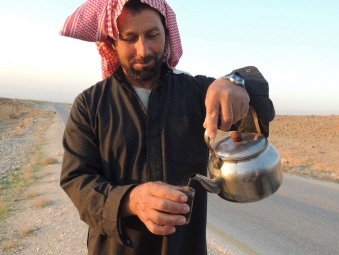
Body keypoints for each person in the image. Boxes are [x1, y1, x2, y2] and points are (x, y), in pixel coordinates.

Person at [59, 0, 275, 254]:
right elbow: (76, 180)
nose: (143, 50)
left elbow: (256, 115)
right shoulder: (90, 104)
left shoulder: (198, 93)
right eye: (129, 38)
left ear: (167, 34)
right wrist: (130, 201)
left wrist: (234, 81)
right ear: (112, 43)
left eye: (153, 35)